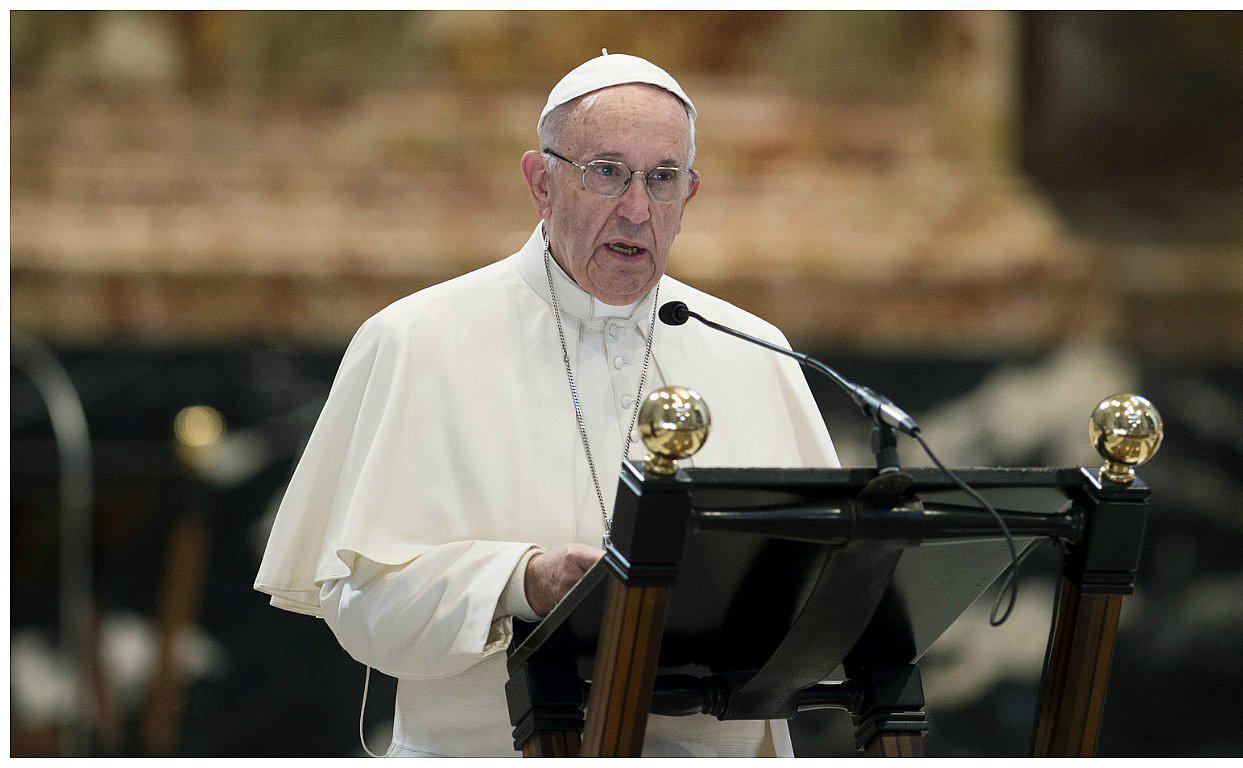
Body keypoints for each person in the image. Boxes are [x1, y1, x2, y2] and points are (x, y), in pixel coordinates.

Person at [254, 52, 839, 757]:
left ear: (689, 195)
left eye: (662, 179)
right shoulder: (418, 340)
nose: (636, 208)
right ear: (540, 182)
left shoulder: (754, 350)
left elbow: (822, 589)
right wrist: (521, 581)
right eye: (607, 171)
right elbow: (362, 605)